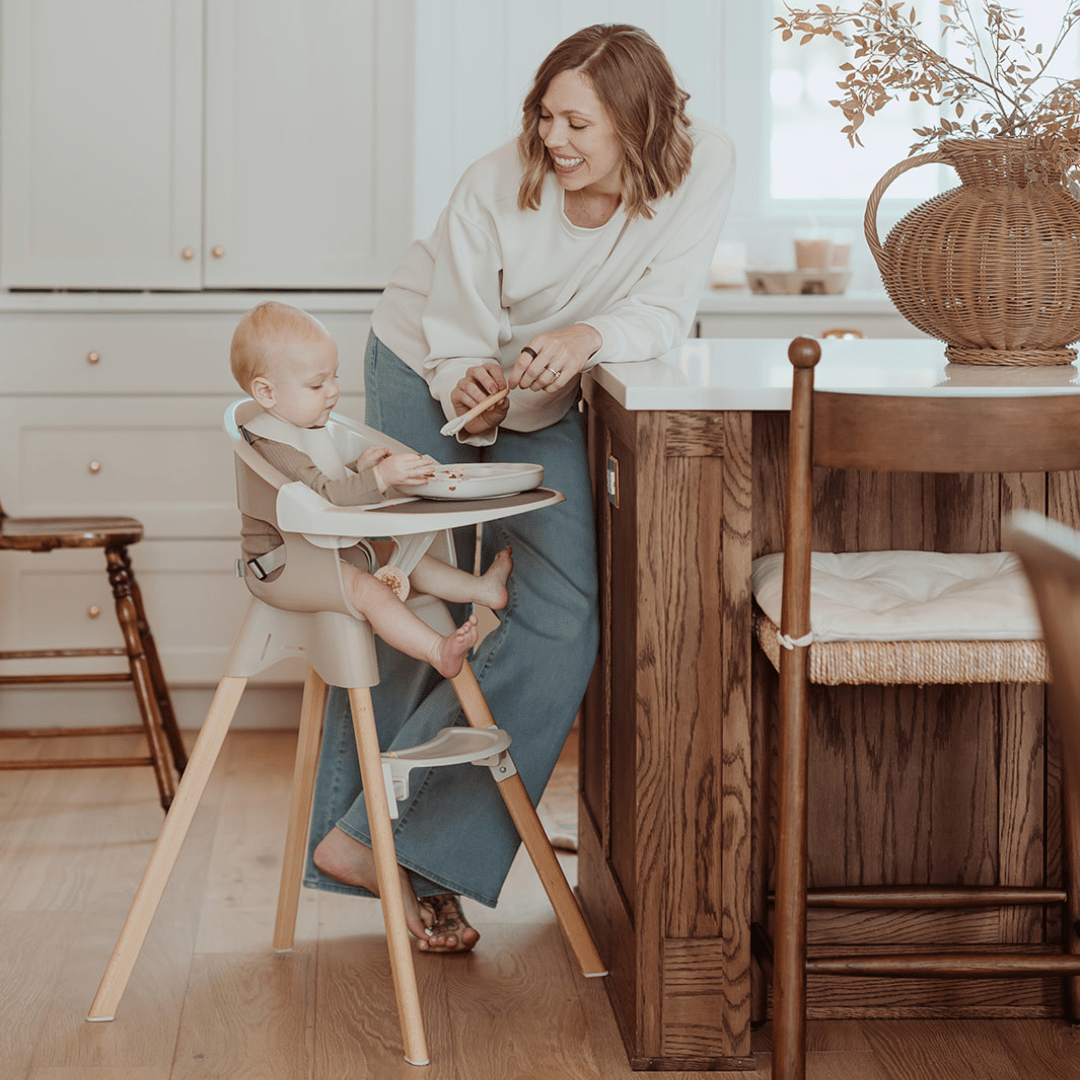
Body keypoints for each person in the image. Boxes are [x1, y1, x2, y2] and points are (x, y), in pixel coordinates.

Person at [305, 23, 737, 953]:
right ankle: (395, 859)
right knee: (405, 595)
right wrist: (473, 387)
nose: (555, 141)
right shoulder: (494, 187)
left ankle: (402, 845)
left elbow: (663, 309)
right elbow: (455, 332)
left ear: (638, 122)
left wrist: (587, 339)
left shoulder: (702, 169)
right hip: (426, 361)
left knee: (566, 606)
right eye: (545, 118)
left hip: (552, 381)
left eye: (578, 122)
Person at [229, 301, 514, 679]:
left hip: (325, 549)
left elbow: (316, 481)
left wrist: (356, 469)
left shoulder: (300, 426)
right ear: (266, 392)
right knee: (371, 592)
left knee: (406, 559)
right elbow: (325, 495)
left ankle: (482, 590)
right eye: (316, 384)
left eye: (334, 377)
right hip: (287, 566)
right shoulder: (273, 442)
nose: (332, 391)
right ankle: (436, 650)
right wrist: (382, 477)